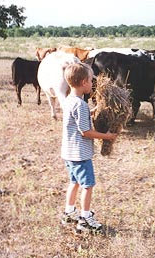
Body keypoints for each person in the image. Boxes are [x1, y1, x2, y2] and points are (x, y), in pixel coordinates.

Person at [60, 63, 117, 232]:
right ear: (84, 82)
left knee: (74, 182)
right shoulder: (80, 105)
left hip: (68, 153)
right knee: (88, 185)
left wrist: (94, 111)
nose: (93, 83)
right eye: (91, 80)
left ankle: (69, 213)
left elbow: (76, 120)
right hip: (80, 155)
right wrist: (107, 136)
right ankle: (85, 219)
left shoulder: (70, 101)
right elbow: (85, 132)